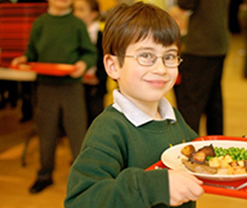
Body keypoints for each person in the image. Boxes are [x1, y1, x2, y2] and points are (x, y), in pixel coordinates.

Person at [65, 2, 204, 208]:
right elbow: (81, 199)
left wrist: (245, 145)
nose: (160, 68)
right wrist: (155, 187)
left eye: (169, 57)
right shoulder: (109, 129)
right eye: (146, 56)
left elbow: (200, 152)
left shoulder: (171, 116)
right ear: (113, 66)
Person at [11, 0, 97, 194]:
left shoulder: (77, 24)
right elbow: (31, 52)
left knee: (77, 133)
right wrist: (24, 59)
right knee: (46, 131)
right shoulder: (40, 23)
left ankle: (83, 180)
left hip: (72, 88)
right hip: (45, 86)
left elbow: (90, 53)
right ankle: (44, 174)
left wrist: (83, 64)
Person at [174, 0, 230, 135]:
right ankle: (217, 145)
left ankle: (189, 148)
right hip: (219, 43)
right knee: (213, 102)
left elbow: (185, 3)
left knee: (190, 103)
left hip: (201, 45)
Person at [73, 0, 107, 126]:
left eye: (81, 10)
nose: (77, 14)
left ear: (93, 14)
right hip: (77, 83)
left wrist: (98, 77)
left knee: (95, 116)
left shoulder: (101, 35)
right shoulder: (73, 34)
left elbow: (105, 59)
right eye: (75, 10)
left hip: (96, 84)